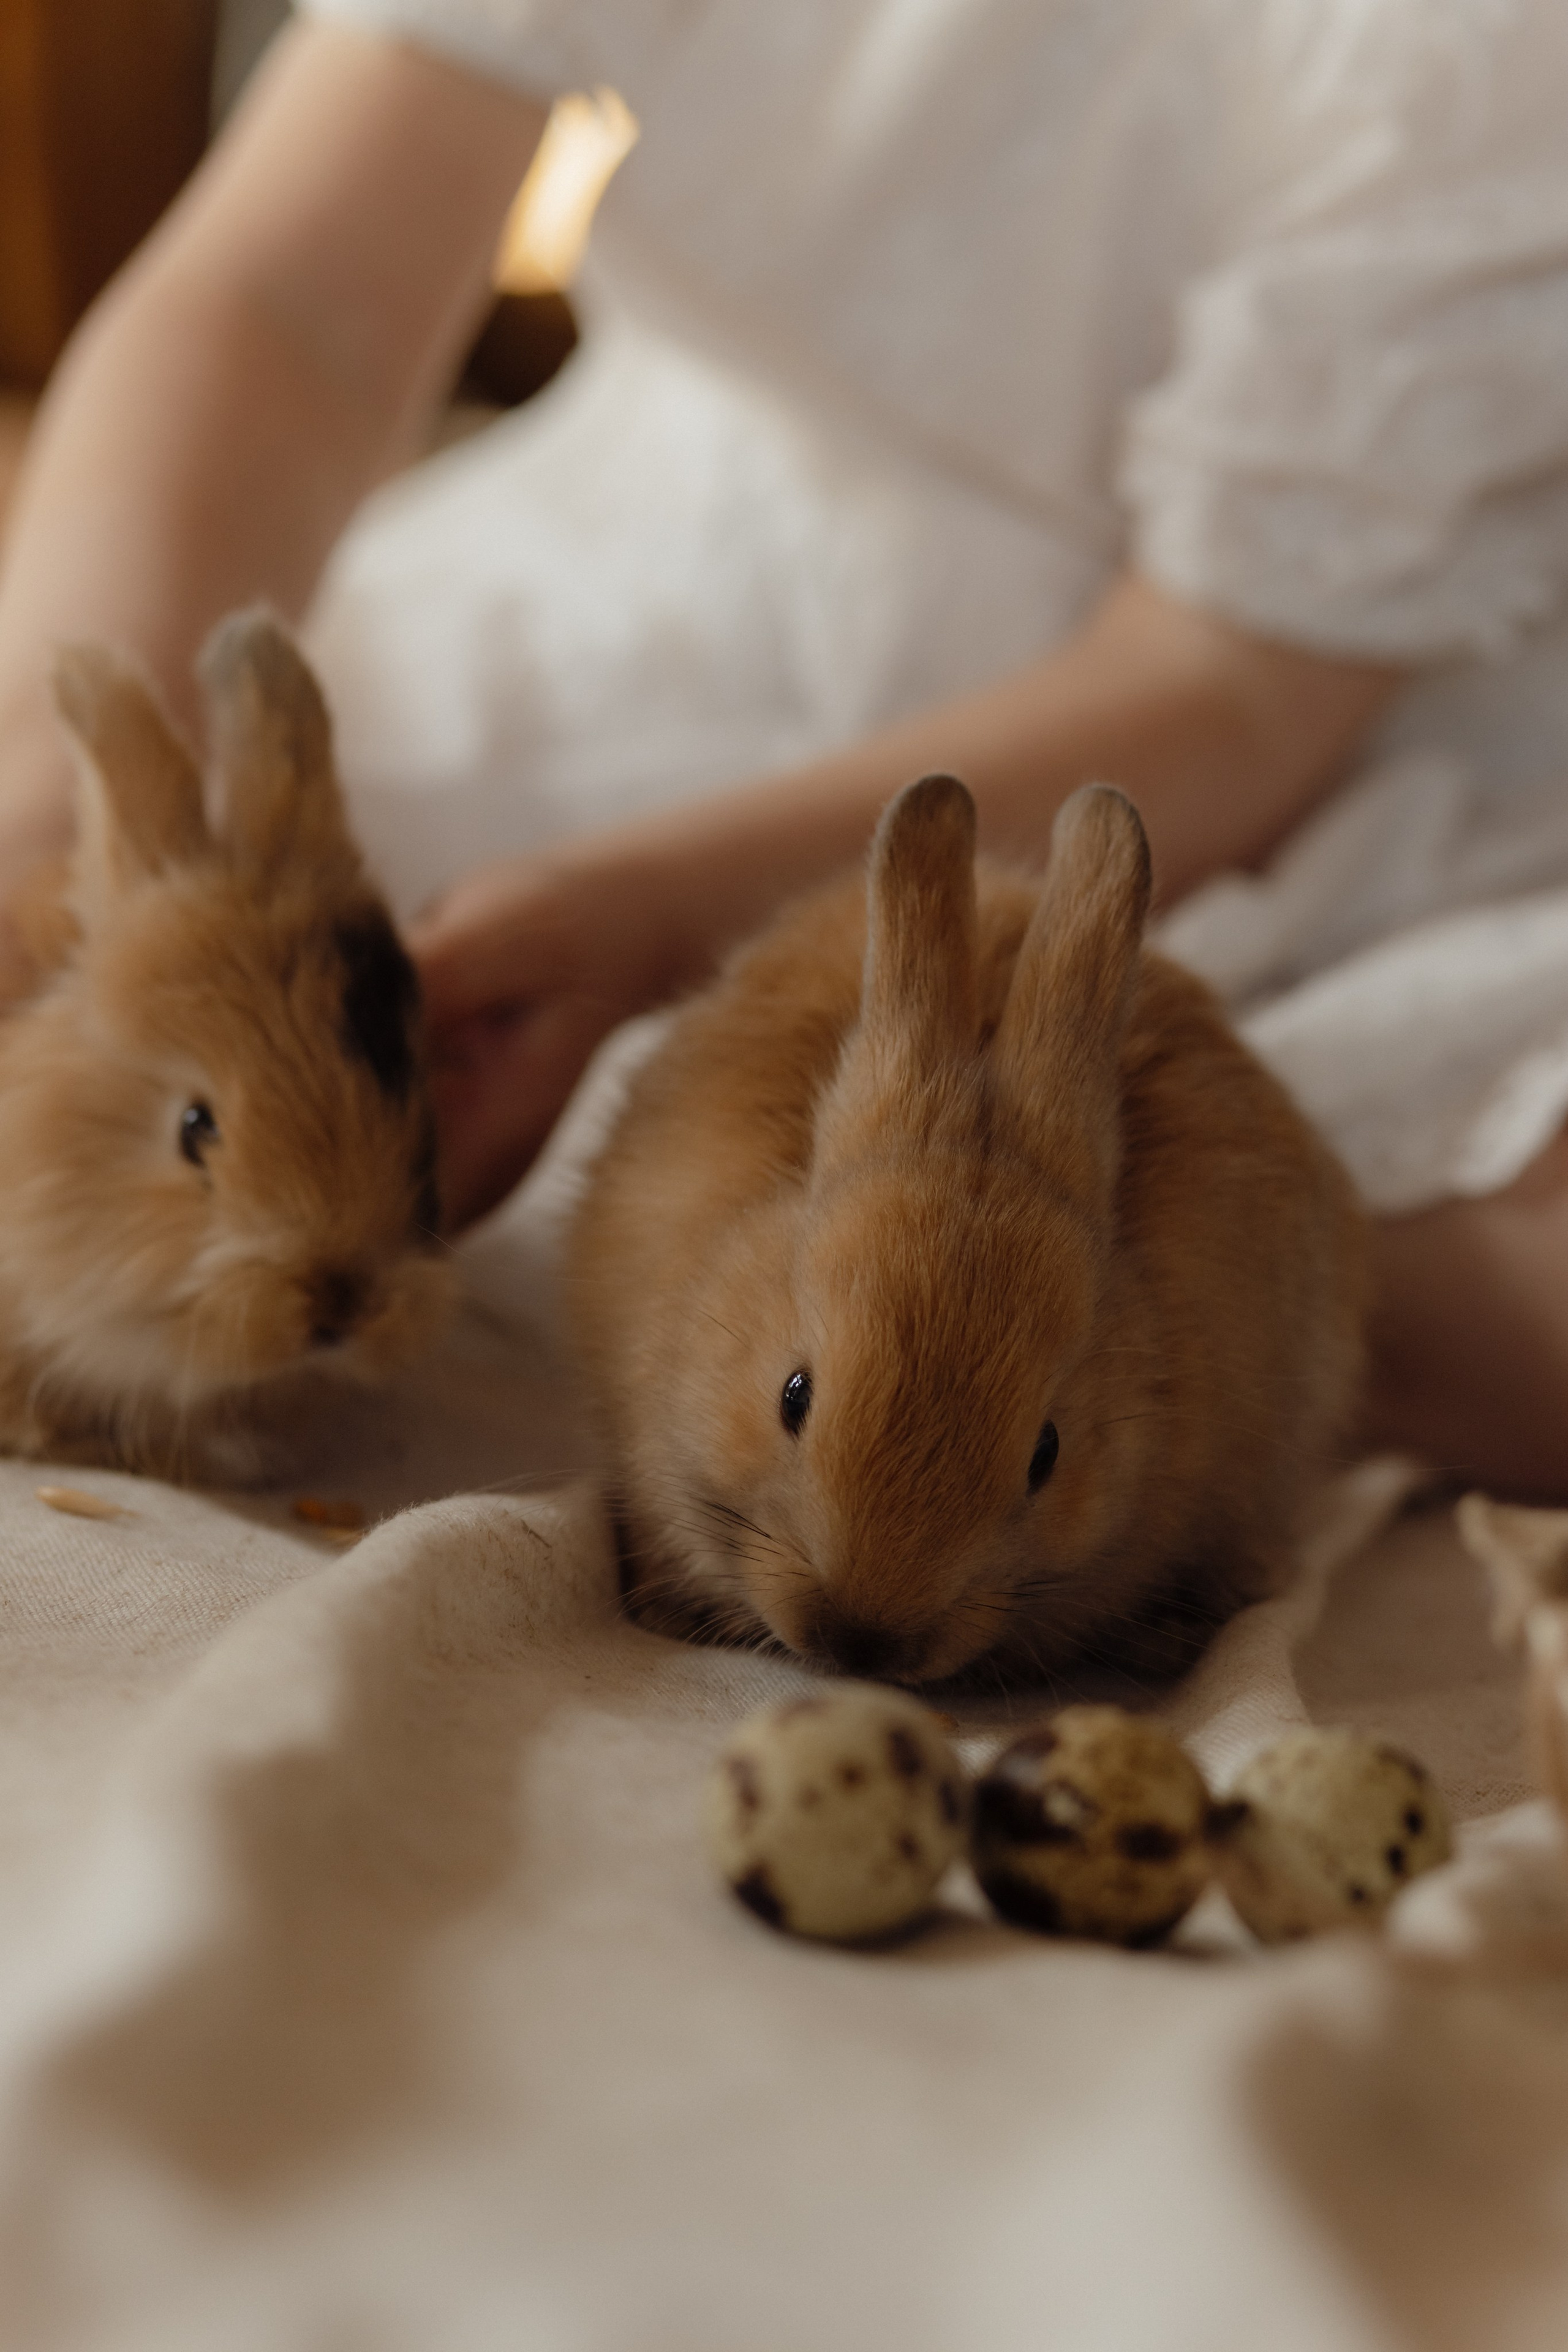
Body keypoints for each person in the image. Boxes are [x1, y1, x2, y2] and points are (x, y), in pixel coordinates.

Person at [0, 1, 1566, 1494]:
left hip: (1219, 754)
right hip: (653, 599)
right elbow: (285, 306)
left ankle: (1159, 1312)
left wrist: (656, 923)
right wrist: (60, 779)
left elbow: (1223, 690)